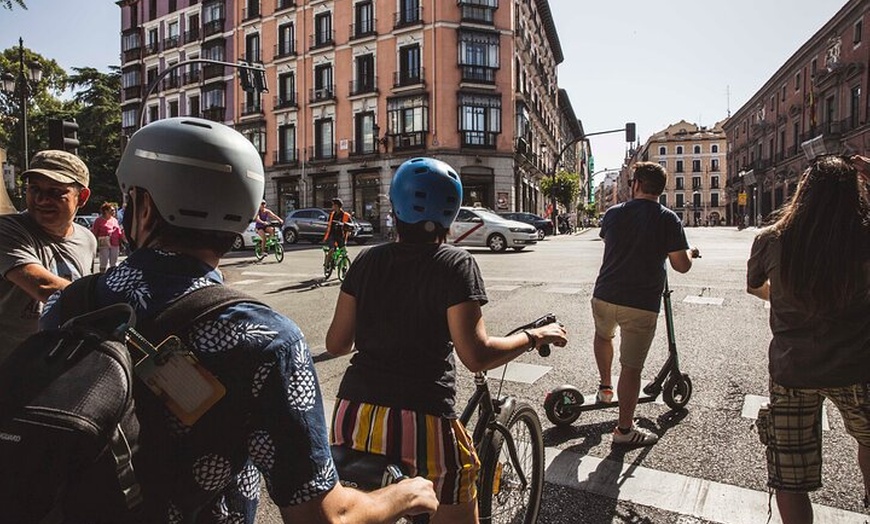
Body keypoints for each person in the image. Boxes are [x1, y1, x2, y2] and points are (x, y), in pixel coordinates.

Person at [41, 118, 437, 523]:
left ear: (143, 206)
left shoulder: (70, 303)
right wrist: (403, 494)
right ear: (246, 213)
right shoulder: (266, 339)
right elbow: (323, 515)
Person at [325, 157, 568, 524]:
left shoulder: (365, 261)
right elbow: (476, 354)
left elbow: (337, 344)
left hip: (353, 416)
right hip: (423, 419)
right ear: (451, 214)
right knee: (458, 487)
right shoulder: (455, 264)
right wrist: (533, 337)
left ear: (395, 207)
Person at [747, 155, 870, 524]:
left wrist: (788, 297)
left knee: (791, 475)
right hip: (859, 366)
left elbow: (755, 288)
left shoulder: (771, 239)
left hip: (792, 369)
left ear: (802, 191)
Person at [591, 161, 699, 446]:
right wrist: (687, 251)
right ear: (662, 189)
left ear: (635, 184)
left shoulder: (613, 214)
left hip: (604, 294)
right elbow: (682, 266)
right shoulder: (668, 219)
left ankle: (605, 389)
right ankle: (624, 431)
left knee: (604, 335)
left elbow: (613, 242)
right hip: (640, 302)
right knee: (631, 368)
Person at [0, 149, 95, 362]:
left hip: (55, 371)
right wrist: (111, 298)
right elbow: (44, 286)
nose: (42, 200)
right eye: (34, 189)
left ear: (82, 197)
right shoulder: (7, 230)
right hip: (8, 373)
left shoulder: (87, 239)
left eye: (55, 191)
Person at [91, 201, 125, 271]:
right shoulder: (98, 220)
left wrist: (121, 241)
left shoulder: (114, 220)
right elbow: (94, 233)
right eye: (112, 210)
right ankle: (101, 276)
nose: (114, 211)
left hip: (115, 243)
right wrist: (94, 245)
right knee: (104, 262)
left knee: (114, 263)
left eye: (114, 210)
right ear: (106, 211)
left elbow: (118, 232)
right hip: (104, 243)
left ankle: (112, 277)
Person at [322, 197, 352, 266]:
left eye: (333, 205)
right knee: (332, 249)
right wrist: (326, 237)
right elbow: (329, 226)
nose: (332, 207)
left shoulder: (346, 215)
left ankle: (344, 267)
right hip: (332, 235)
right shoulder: (332, 214)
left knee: (344, 253)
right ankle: (327, 263)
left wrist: (350, 230)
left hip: (341, 236)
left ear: (337, 206)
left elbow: (351, 225)